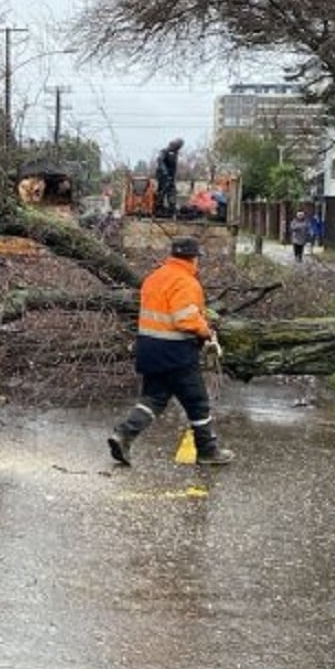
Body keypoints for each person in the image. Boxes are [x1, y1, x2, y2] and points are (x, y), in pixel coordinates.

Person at [109, 236, 234, 467]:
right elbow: (184, 319)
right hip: (176, 352)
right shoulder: (186, 281)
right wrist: (206, 331)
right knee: (198, 402)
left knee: (153, 398)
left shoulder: (154, 277)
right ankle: (208, 451)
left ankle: (124, 434)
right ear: (194, 258)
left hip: (149, 348)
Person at [153, 138, 183, 215]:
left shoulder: (175, 153)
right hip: (163, 175)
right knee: (162, 190)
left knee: (172, 191)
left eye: (179, 147)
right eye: (178, 146)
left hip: (171, 176)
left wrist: (172, 176)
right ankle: (158, 207)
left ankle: (172, 207)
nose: (178, 148)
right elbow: (160, 160)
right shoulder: (164, 151)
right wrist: (165, 172)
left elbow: (173, 166)